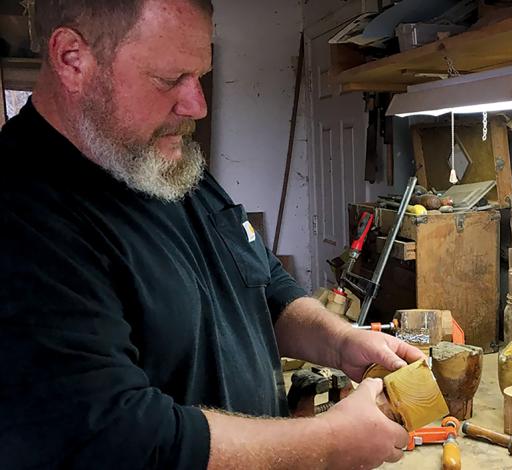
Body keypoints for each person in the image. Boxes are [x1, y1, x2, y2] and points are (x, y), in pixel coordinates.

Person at [0, 1, 424, 468]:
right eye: (169, 79)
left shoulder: (160, 160)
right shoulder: (24, 213)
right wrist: (328, 443)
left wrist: (340, 341)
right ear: (71, 59)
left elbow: (261, 284)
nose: (196, 105)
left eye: (199, 75)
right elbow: (117, 437)